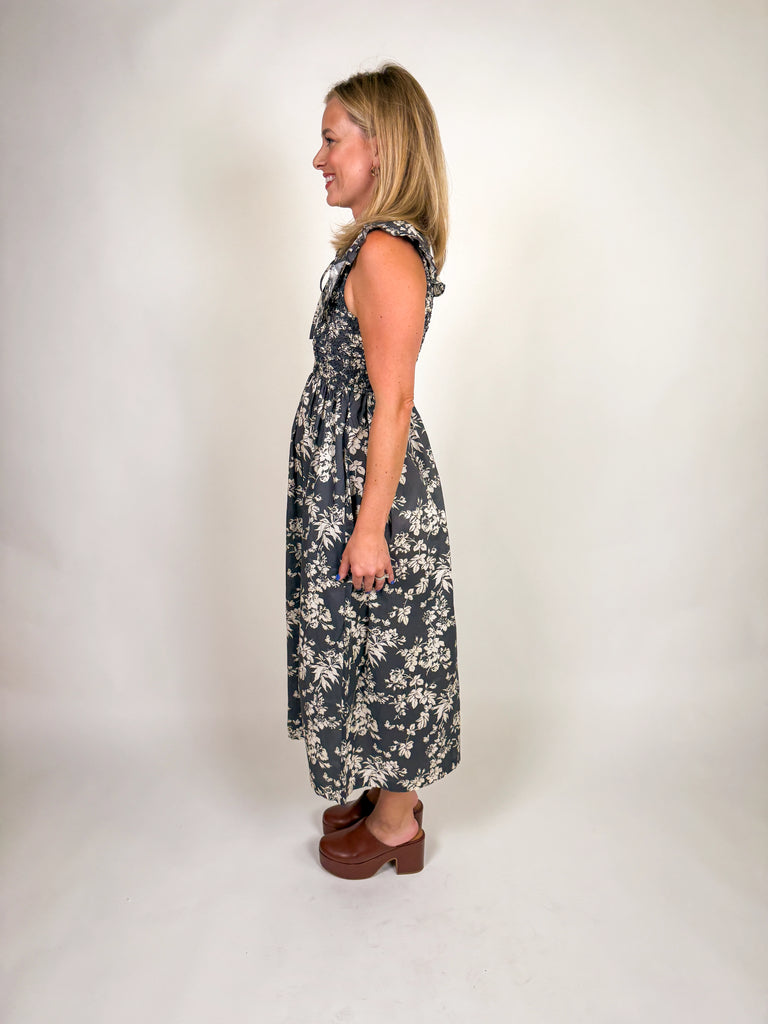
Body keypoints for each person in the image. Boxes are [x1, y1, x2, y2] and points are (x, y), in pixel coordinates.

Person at [286, 63, 460, 880]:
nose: (319, 158)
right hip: (350, 486)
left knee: (393, 643)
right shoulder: (372, 248)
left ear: (380, 149)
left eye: (331, 139)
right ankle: (387, 794)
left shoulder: (387, 253)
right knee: (367, 639)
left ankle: (398, 822)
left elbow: (392, 403)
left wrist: (366, 526)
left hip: (374, 495)